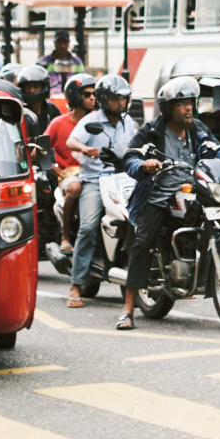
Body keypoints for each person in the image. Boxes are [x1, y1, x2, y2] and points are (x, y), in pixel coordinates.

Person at [116, 75, 220, 331]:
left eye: (190, 103)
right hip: (159, 194)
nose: (188, 108)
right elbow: (129, 157)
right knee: (144, 242)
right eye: (181, 104)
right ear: (167, 108)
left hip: (195, 190)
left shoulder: (198, 128)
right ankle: (128, 308)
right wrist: (144, 165)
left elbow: (215, 150)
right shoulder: (152, 131)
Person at [67, 74, 138, 307]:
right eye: (116, 99)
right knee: (87, 226)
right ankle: (76, 286)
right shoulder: (91, 120)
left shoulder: (129, 122)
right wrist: (85, 149)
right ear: (104, 99)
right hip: (95, 181)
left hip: (125, 179)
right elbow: (71, 142)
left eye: (123, 99)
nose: (121, 103)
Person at [46, 75, 93, 261]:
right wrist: (57, 171)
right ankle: (65, 236)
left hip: (96, 174)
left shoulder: (99, 122)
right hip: (71, 177)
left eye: (95, 94)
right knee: (75, 187)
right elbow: (37, 152)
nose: (92, 98)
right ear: (74, 96)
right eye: (87, 94)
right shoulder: (58, 123)